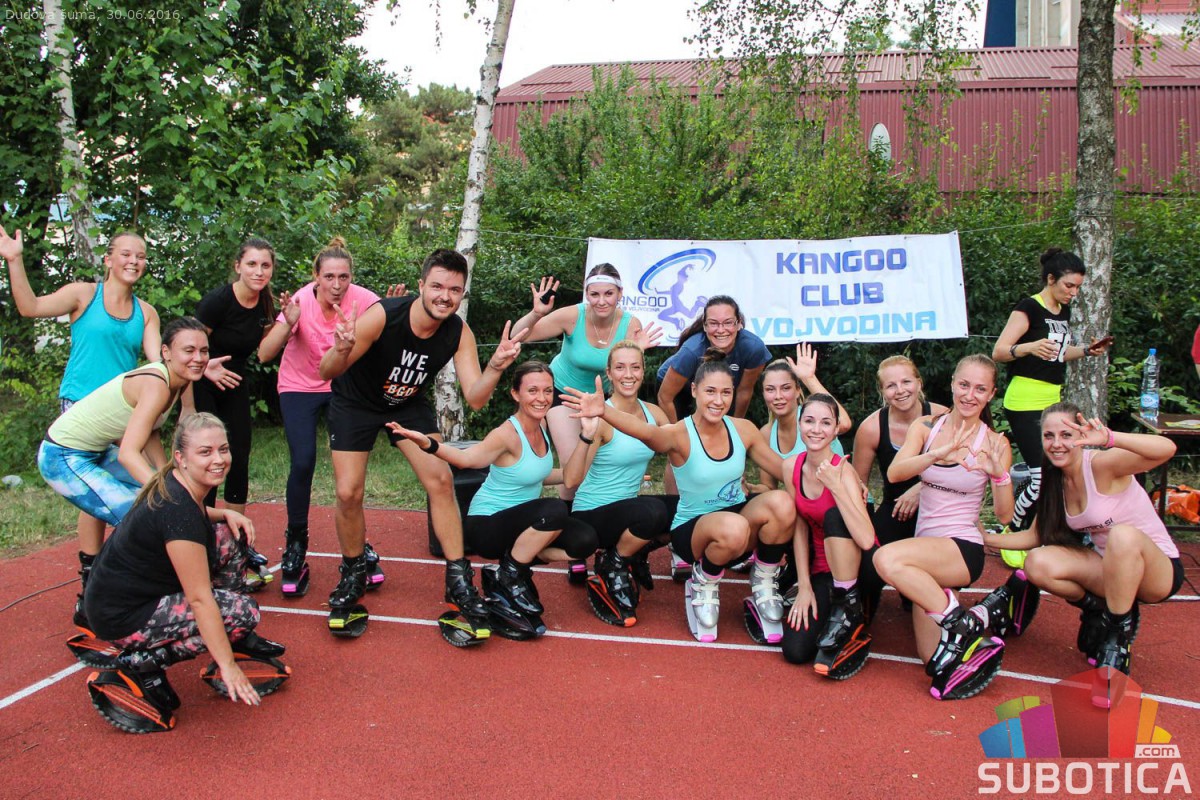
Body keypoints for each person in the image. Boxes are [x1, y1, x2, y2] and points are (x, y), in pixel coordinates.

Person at [317, 247, 524, 639]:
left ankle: (458, 581)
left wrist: (496, 365)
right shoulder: (384, 315)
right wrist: (341, 347)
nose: (445, 296)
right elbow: (326, 371)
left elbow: (475, 398)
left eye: (454, 290)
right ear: (421, 285)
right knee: (348, 492)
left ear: (462, 294)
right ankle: (353, 572)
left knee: (441, 480)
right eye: (437, 287)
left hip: (407, 405)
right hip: (355, 403)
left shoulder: (458, 332)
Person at [565, 350, 795, 642]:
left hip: (735, 524)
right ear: (695, 390)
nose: (718, 400)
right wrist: (604, 411)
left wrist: (828, 473)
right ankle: (703, 581)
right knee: (724, 524)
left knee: (782, 503)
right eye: (710, 391)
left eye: (726, 392)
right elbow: (646, 433)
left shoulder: (744, 429)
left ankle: (764, 580)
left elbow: (785, 470)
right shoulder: (677, 433)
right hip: (696, 529)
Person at [83, 413, 286, 722]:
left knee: (228, 536)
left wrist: (225, 514)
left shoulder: (177, 488)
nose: (218, 459)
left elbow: (194, 513)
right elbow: (199, 599)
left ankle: (230, 636)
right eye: (205, 452)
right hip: (122, 618)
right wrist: (228, 666)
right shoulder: (179, 514)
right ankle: (142, 664)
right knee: (243, 613)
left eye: (223, 449)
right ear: (180, 458)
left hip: (127, 595)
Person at [977, 403, 1183, 680]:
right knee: (1037, 562)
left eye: (1066, 435)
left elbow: (1166, 449)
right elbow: (1035, 536)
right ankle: (1097, 609)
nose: (1057, 444)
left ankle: (1117, 636)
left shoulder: (1100, 464)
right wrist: (984, 538)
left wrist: (1110, 438)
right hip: (1109, 569)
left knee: (1122, 535)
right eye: (1049, 436)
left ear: (1081, 436)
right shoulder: (1055, 479)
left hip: (1156, 572)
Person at [389, 362, 598, 630]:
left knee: (585, 539)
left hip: (525, 525)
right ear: (515, 394)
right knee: (555, 509)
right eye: (532, 390)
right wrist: (427, 443)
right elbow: (467, 459)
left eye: (547, 391)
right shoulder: (506, 434)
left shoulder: (542, 425)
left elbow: (564, 477)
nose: (542, 398)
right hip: (487, 525)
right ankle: (510, 576)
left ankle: (511, 569)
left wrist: (587, 435)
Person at [37, 318, 217, 628]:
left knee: (160, 505)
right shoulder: (157, 383)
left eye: (204, 351)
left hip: (94, 451)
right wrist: (172, 494)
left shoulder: (178, 381)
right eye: (189, 350)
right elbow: (129, 452)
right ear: (166, 352)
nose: (198, 358)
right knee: (143, 518)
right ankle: (96, 606)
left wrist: (169, 478)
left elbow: (150, 433)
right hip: (62, 456)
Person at [872, 355, 1014, 681]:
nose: (969, 395)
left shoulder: (995, 443)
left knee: (886, 559)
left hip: (961, 548)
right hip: (926, 552)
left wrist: (1000, 476)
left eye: (980, 389)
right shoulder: (926, 427)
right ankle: (979, 616)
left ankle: (963, 624)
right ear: (952, 384)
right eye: (964, 385)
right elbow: (895, 473)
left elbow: (1005, 515)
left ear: (991, 394)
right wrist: (936, 454)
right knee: (932, 659)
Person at [257, 237, 383, 596]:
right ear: (316, 277)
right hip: (299, 386)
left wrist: (394, 308)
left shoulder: (365, 300)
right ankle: (296, 543)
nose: (337, 285)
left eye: (344, 277)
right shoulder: (300, 301)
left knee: (349, 475)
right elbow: (264, 354)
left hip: (343, 387)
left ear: (352, 277)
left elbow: (388, 334)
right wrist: (287, 324)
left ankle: (358, 544)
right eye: (329, 277)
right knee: (303, 462)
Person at [511, 265, 659, 503]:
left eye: (608, 294)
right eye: (594, 294)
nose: (601, 301)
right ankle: (566, 515)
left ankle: (603, 512)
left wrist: (637, 349)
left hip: (604, 399)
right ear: (586, 294)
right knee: (573, 469)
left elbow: (628, 368)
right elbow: (517, 335)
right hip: (564, 393)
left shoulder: (631, 324)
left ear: (620, 294)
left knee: (600, 465)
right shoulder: (572, 316)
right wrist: (536, 313)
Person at [992, 248, 1112, 531]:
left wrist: (1086, 351)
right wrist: (1029, 347)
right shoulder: (1028, 308)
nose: (1073, 293)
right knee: (1041, 478)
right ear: (1050, 279)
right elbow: (999, 351)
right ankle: (1012, 528)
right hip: (1024, 400)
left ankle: (1042, 529)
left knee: (1055, 473)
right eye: (1069, 285)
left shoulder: (1063, 311)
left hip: (1051, 400)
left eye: (1077, 287)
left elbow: (1058, 353)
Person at [562, 341, 673, 625]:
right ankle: (613, 563)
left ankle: (632, 552)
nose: (628, 374)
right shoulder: (601, 418)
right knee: (653, 512)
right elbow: (572, 479)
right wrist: (587, 434)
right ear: (609, 373)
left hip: (629, 509)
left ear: (644, 371)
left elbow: (683, 450)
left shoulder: (654, 414)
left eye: (635, 367)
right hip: (593, 514)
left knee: (690, 508)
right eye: (620, 367)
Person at [781, 394, 878, 672]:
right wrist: (804, 585)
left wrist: (836, 487)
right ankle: (839, 606)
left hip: (861, 567)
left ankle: (851, 607)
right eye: (809, 421)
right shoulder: (791, 467)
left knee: (835, 515)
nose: (816, 429)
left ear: (836, 429)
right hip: (824, 569)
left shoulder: (843, 471)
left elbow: (866, 540)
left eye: (825, 423)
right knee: (795, 651)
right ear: (799, 424)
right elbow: (799, 526)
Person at [193, 238, 278, 516]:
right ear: (238, 266)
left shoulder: (266, 304)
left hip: (235, 382)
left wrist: (288, 322)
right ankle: (202, 526)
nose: (259, 271)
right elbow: (185, 345)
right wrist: (205, 366)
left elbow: (264, 351)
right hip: (203, 383)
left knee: (238, 456)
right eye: (252, 264)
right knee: (207, 455)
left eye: (265, 265)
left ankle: (235, 530)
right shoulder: (217, 301)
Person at [852, 355, 949, 550]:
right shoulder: (871, 428)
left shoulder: (943, 418)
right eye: (891, 385)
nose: (900, 390)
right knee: (874, 562)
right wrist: (866, 527)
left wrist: (922, 488)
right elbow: (858, 487)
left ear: (919, 383)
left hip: (941, 507)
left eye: (906, 382)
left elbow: (964, 471)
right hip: (896, 510)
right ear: (882, 391)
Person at [656, 295, 771, 423]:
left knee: (723, 421)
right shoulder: (691, 352)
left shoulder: (754, 348)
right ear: (705, 325)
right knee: (686, 426)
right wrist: (674, 433)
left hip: (718, 385)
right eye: (713, 323)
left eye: (728, 322)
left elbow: (744, 391)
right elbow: (665, 397)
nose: (721, 330)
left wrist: (735, 428)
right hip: (679, 385)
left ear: (739, 324)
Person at [750, 346, 850, 491]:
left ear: (798, 390)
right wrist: (748, 488)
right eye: (770, 389)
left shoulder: (813, 419)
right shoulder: (766, 433)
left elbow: (844, 424)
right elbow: (769, 487)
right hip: (804, 501)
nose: (778, 396)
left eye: (786, 388)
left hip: (840, 496)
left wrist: (809, 378)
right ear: (763, 394)